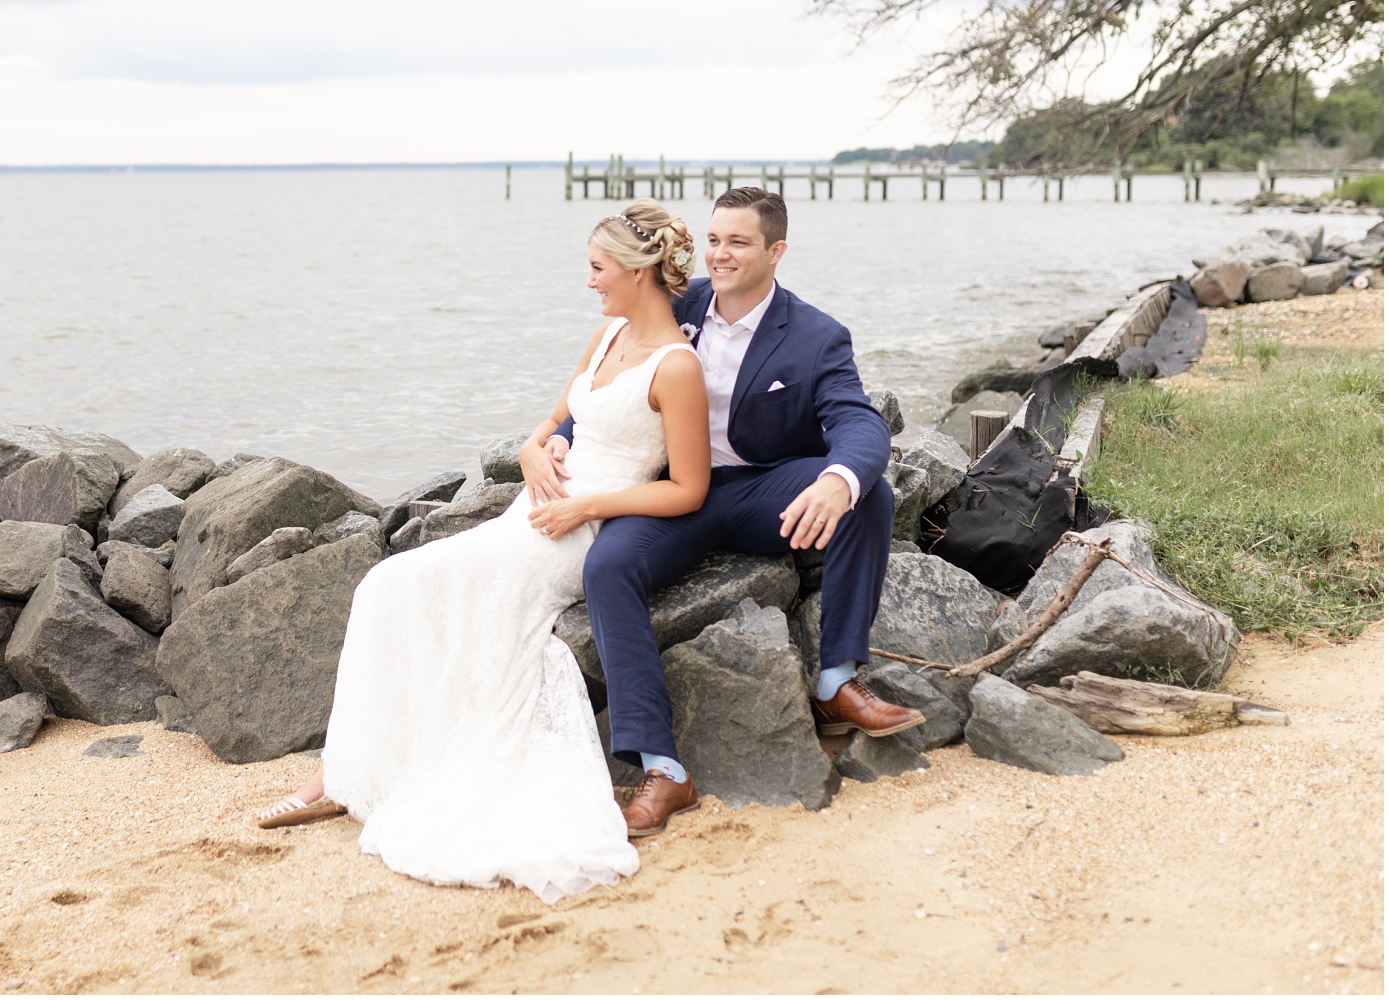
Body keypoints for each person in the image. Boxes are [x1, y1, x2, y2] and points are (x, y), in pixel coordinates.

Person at [254, 200, 712, 904]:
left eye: (596, 268)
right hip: (529, 509)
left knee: (398, 587)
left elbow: (686, 488)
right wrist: (534, 451)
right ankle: (348, 772)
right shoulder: (605, 337)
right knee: (391, 585)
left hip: (580, 526)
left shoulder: (675, 366)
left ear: (636, 270)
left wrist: (587, 504)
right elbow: (550, 421)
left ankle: (344, 778)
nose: (588, 281)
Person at [526, 186, 923, 839]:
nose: (720, 253)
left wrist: (836, 479)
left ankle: (835, 679)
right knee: (608, 566)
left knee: (867, 492)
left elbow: (858, 424)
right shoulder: (676, 305)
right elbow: (607, 374)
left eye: (737, 241)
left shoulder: (815, 337)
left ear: (776, 251)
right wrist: (556, 435)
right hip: (669, 493)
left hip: (757, 488)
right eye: (713, 239)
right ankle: (661, 767)